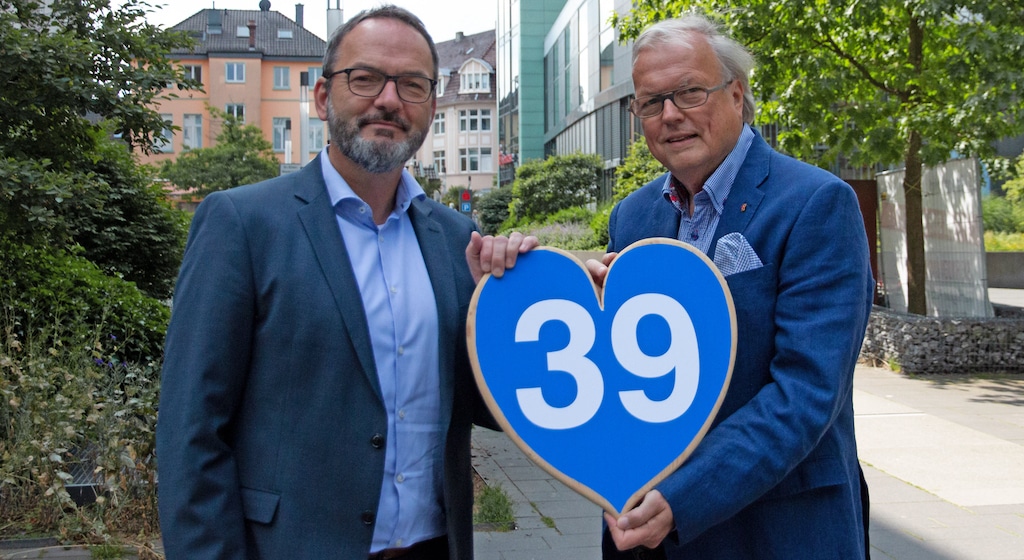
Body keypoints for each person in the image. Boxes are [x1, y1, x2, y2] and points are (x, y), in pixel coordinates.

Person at [156, 6, 533, 559]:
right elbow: (192, 433)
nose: (388, 100)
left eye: (412, 85)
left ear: (430, 106)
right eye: (365, 78)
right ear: (322, 97)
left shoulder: (458, 238)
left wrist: (520, 304)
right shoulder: (242, 225)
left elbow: (484, 405)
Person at [589, 13, 875, 559]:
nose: (670, 115)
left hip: (777, 533)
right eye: (652, 102)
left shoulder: (816, 204)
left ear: (737, 94)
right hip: (648, 536)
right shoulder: (632, 218)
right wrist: (583, 304)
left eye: (690, 92)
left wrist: (681, 497)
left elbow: (805, 394)